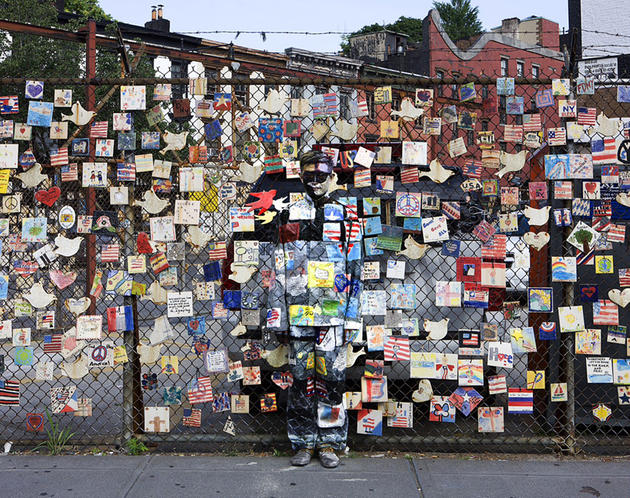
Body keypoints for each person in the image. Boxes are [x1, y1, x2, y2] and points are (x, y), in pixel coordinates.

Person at [265, 150, 362, 468]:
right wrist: (276, 313)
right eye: (310, 175)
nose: (316, 181)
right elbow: (277, 267)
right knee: (301, 378)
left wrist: (351, 316)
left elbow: (355, 269)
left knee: (332, 379)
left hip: (332, 316)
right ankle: (304, 441)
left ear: (332, 175)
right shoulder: (287, 213)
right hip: (298, 313)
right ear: (302, 175)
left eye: (322, 175)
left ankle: (331, 442)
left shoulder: (347, 215)